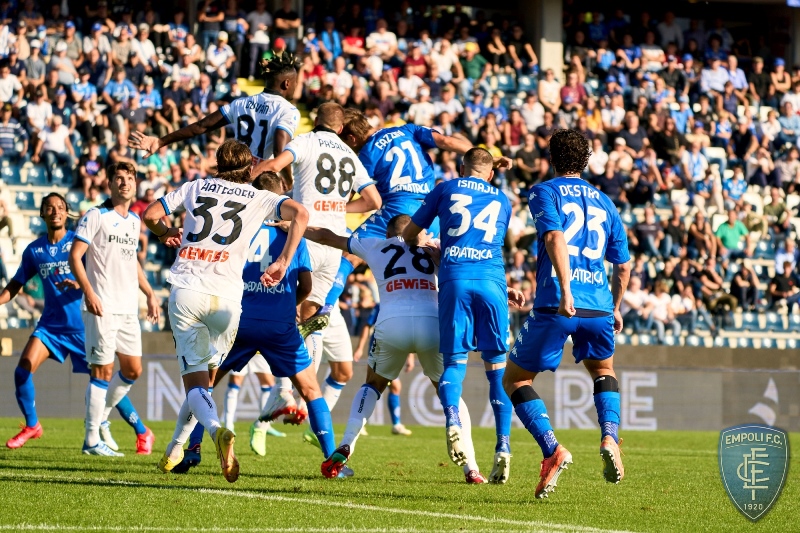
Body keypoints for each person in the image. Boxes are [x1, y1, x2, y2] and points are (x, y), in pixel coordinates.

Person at [142, 141, 309, 483]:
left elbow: (150, 215)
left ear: (217, 164)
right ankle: (174, 449)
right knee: (204, 383)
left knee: (195, 386)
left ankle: (217, 430)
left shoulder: (196, 187)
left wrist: (165, 233)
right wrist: (283, 260)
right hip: (229, 301)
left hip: (189, 291)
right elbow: (302, 215)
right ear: (250, 170)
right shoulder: (258, 197)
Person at [310, 214, 490, 482]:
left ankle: (346, 444)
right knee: (448, 392)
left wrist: (293, 225)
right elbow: (466, 275)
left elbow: (326, 236)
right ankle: (472, 468)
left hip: (392, 323)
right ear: (418, 230)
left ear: (388, 233)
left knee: (372, 384)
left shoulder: (375, 245)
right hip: (433, 322)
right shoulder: (433, 245)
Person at [503, 129, 631, 499]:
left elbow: (555, 237)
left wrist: (566, 291)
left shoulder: (544, 191)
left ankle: (552, 450)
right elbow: (622, 266)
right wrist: (616, 306)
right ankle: (610, 436)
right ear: (587, 160)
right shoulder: (606, 201)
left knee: (515, 380)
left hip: (558, 302)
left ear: (551, 158)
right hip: (599, 307)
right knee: (604, 370)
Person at [257, 102, 381, 436]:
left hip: (305, 236)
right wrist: (341, 206)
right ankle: (299, 398)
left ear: (315, 121)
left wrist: (244, 182)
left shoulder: (306, 141)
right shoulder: (349, 154)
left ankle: (286, 392)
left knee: (296, 315)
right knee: (312, 318)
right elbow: (374, 202)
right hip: (335, 242)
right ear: (341, 129)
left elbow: (276, 163)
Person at [403, 147, 520, 485]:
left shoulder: (445, 187)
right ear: (491, 173)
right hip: (493, 282)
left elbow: (411, 233)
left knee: (454, 362)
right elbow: (491, 242)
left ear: (460, 166)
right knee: (498, 372)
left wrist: (422, 241)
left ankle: (453, 419)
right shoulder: (502, 199)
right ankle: (503, 446)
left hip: (454, 278)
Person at [69, 162, 159, 456]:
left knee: (133, 370)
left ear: (135, 184)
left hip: (127, 309)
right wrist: (90, 293)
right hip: (101, 307)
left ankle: (102, 418)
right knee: (102, 371)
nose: (124, 183)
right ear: (109, 185)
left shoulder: (134, 220)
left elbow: (131, 261)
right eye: (118, 179)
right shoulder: (96, 216)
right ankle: (91, 439)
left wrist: (149, 294)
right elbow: (76, 256)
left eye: (129, 179)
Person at [131, 53, 301, 187]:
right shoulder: (288, 111)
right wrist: (289, 180)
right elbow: (280, 152)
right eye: (296, 82)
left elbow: (201, 126)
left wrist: (161, 141)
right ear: (287, 83)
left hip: (236, 176)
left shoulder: (241, 103)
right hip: (261, 182)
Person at [339, 108, 509, 239]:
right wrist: (488, 157)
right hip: (430, 211)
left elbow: (352, 197)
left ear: (352, 138)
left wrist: (338, 208)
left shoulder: (365, 155)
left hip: (397, 209)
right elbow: (446, 141)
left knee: (352, 252)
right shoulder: (408, 130)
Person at [3, 194, 88, 448]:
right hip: (50, 327)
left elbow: (98, 277)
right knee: (22, 370)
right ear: (42, 214)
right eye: (49, 208)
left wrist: (80, 283)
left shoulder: (79, 243)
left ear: (67, 213)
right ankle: (32, 425)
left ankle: (141, 431)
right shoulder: (35, 251)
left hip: (81, 326)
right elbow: (16, 284)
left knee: (103, 381)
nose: (55, 211)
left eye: (60, 208)